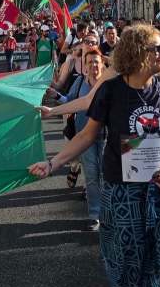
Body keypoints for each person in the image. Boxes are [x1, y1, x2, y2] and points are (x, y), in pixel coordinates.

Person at [28, 24, 160, 287]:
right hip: (124, 194)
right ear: (139, 52)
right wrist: (52, 163)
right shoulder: (111, 90)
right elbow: (87, 135)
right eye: (159, 48)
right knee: (129, 269)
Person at [37, 49, 108, 231]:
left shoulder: (109, 84)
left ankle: (108, 212)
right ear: (84, 67)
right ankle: (95, 215)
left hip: (107, 136)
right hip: (84, 136)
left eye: (96, 62)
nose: (93, 65)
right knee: (92, 174)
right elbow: (71, 100)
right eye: (90, 62)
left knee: (105, 174)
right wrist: (56, 96)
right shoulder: (79, 82)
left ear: (103, 64)